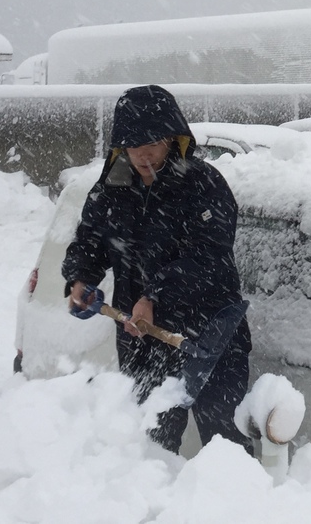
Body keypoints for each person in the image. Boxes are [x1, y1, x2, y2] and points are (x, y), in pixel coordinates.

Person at [63, 85, 250, 453]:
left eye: (152, 143)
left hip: (209, 333)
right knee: (149, 449)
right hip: (142, 340)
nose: (143, 154)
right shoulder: (112, 188)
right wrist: (80, 277)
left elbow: (209, 255)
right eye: (133, 146)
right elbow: (91, 240)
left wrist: (154, 296)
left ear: (173, 139)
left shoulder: (203, 184)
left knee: (225, 447)